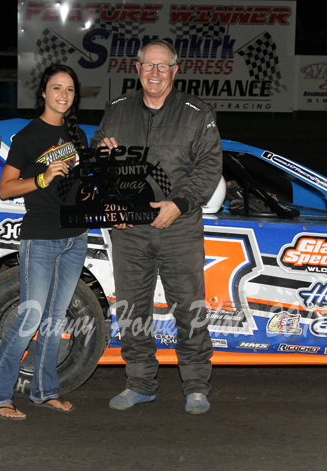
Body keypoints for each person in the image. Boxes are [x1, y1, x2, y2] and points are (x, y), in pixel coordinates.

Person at [91, 39, 222, 414]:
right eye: (148, 65)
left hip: (179, 226)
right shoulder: (116, 110)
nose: (155, 73)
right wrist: (102, 155)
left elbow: (210, 167)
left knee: (189, 307)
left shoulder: (198, 113)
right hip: (129, 228)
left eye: (163, 66)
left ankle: (196, 385)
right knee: (132, 308)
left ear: (175, 71)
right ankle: (140, 383)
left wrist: (179, 204)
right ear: (136, 69)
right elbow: (98, 154)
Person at [0, 64, 88, 420]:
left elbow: (83, 189)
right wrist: (41, 178)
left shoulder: (78, 136)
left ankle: (44, 392)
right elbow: (4, 188)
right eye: (57, 88)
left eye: (70, 90)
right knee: (29, 321)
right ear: (43, 93)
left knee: (55, 321)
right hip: (41, 239)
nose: (63, 95)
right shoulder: (27, 137)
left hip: (76, 238)